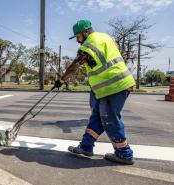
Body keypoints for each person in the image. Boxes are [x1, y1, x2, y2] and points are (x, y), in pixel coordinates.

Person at [54, 20, 135, 165]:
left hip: (115, 85)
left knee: (109, 119)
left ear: (85, 32)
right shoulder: (104, 37)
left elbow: (75, 66)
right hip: (113, 86)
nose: (77, 40)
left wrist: (62, 80)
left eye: (78, 36)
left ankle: (124, 154)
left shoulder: (89, 44)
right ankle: (86, 146)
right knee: (97, 117)